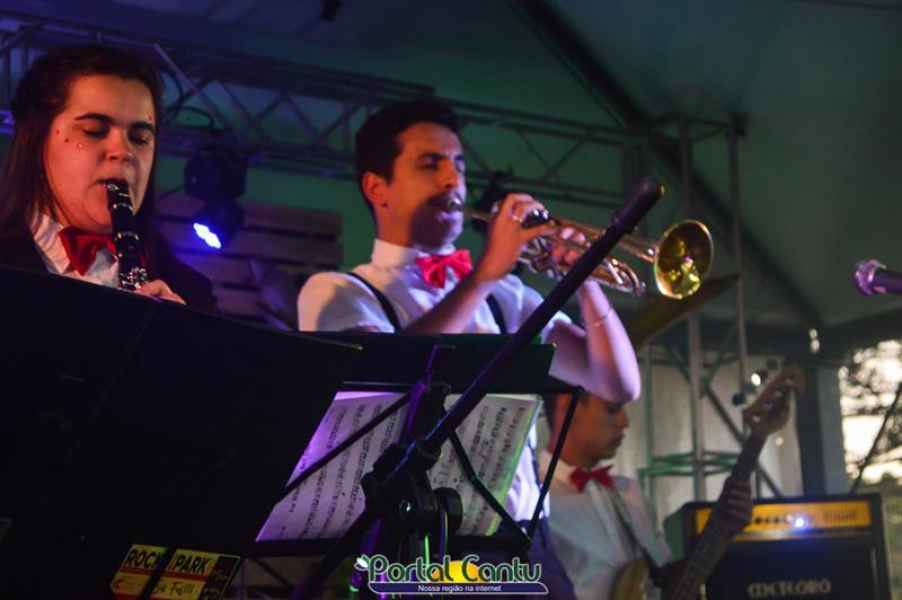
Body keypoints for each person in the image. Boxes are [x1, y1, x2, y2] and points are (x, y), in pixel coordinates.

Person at [297, 99, 642, 598]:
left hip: (525, 543)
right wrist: (484, 274)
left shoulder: (506, 297)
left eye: (458, 165)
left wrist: (584, 278)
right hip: (417, 549)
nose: (452, 181)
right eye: (430, 164)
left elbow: (616, 382)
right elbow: (393, 372)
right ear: (377, 188)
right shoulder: (340, 292)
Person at [0, 44, 216, 311]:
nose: (123, 152)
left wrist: (181, 334)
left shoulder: (192, 294)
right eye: (94, 130)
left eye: (140, 138)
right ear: (36, 141)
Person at [540, 390, 752, 599]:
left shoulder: (629, 492)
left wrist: (723, 530)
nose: (625, 422)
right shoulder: (531, 502)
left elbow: (666, 583)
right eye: (612, 409)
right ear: (567, 406)